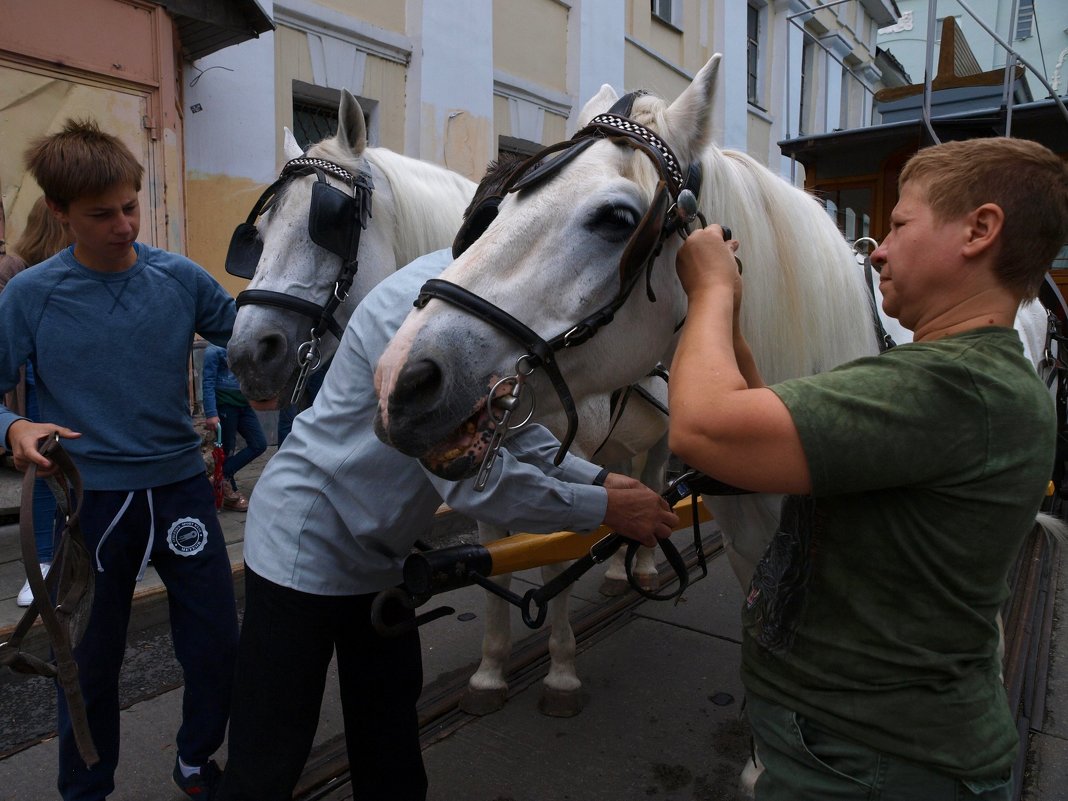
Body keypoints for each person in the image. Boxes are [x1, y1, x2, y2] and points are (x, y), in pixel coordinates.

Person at [217, 168, 680, 801]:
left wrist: (598, 474)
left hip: (376, 555)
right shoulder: (424, 309)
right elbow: (471, 479)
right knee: (270, 755)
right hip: (304, 550)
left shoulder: (487, 301)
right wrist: (603, 505)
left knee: (389, 740)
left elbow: (509, 427)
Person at [668, 136, 1068, 801]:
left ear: (980, 230)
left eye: (901, 224)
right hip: (869, 750)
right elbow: (761, 434)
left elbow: (703, 426)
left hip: (867, 761)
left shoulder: (949, 388)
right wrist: (733, 318)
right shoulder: (959, 379)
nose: (877, 249)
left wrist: (708, 288)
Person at [0, 118, 239, 801]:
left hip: (181, 487)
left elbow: (255, 343)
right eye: (101, 214)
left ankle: (196, 760)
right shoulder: (31, 295)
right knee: (88, 661)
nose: (125, 225)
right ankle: (86, 788)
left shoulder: (181, 280)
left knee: (218, 644)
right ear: (59, 211)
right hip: (90, 502)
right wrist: (14, 425)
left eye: (130, 206)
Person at [2, 196, 75, 607]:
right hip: (34, 387)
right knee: (45, 471)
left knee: (79, 473)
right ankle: (44, 562)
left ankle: (73, 552)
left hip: (74, 384)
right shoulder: (18, 270)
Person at [201, 343, 266, 511]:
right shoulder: (213, 350)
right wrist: (211, 413)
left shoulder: (243, 343)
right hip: (225, 405)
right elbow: (207, 381)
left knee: (259, 444)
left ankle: (219, 479)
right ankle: (231, 492)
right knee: (228, 451)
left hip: (244, 404)